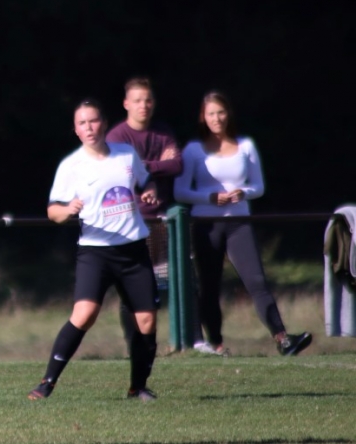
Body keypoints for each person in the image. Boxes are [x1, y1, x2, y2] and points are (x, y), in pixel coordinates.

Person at [28, 99, 160, 402]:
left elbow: (146, 181)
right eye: (82, 123)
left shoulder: (126, 155)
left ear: (104, 123)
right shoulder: (71, 165)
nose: (89, 127)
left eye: (94, 121)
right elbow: (52, 212)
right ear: (76, 130)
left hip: (133, 249)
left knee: (147, 321)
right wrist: (68, 209)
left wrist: (150, 191)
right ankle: (47, 382)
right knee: (85, 314)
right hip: (96, 252)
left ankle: (137, 387)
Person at [174, 91, 311, 357]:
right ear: (203, 117)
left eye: (221, 112)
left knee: (256, 280)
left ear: (228, 114)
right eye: (211, 113)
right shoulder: (193, 150)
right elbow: (180, 192)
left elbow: (258, 186)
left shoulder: (245, 146)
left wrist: (242, 193)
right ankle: (215, 343)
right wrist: (210, 197)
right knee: (210, 284)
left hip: (239, 223)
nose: (217, 118)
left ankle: (282, 338)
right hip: (207, 224)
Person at [104, 78, 188, 347]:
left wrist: (143, 167)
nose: (144, 105)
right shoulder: (117, 136)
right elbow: (117, 173)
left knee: (168, 285)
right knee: (131, 288)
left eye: (148, 100)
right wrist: (151, 169)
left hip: (162, 222)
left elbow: (176, 165)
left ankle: (184, 342)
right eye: (138, 100)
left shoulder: (163, 132)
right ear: (126, 103)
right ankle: (134, 345)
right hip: (130, 222)